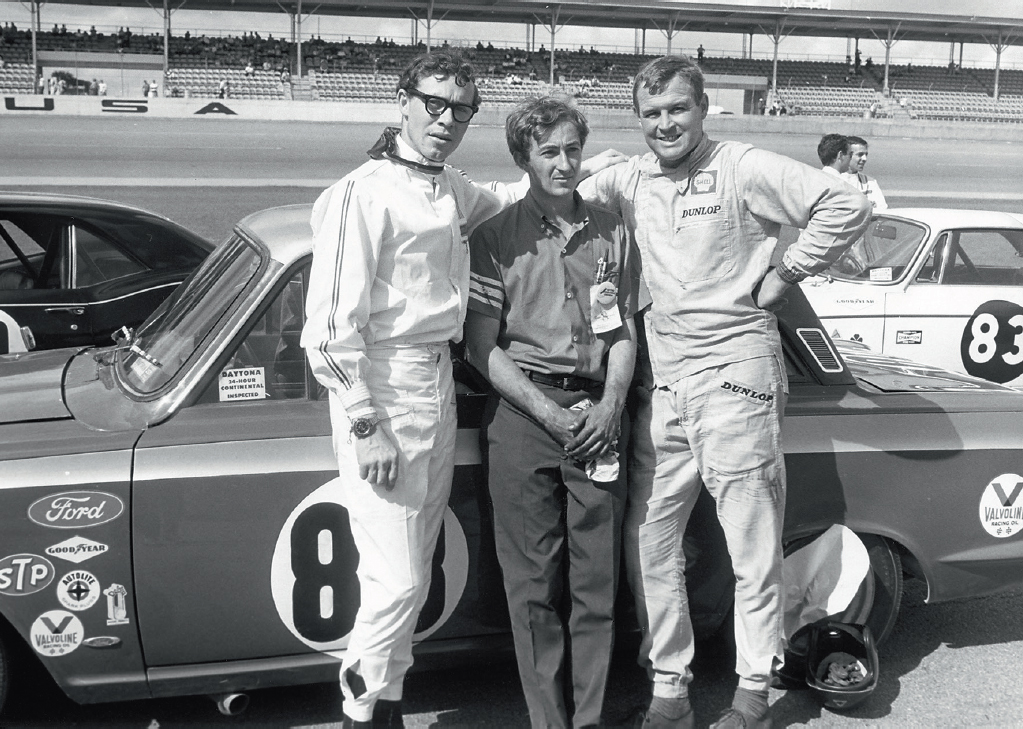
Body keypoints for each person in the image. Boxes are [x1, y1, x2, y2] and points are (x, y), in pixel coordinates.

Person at [301, 52, 621, 729]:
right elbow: (328, 329)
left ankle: (385, 705)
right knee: (399, 579)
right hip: (381, 385)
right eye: (434, 104)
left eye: (460, 110)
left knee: (411, 564)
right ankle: (359, 709)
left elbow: (516, 200)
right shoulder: (361, 192)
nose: (446, 120)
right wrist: (365, 419)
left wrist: (602, 167)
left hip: (438, 381)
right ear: (402, 101)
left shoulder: (448, 186)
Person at [578, 54, 871, 729]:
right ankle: (670, 684)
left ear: (703, 108)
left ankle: (752, 692)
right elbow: (547, 194)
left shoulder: (742, 166)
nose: (664, 124)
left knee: (750, 544)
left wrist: (786, 272)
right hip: (665, 381)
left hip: (738, 376)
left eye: (676, 109)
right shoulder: (630, 175)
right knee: (647, 538)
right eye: (650, 114)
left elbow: (844, 200)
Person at [465, 97, 642, 729]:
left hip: (598, 417)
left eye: (572, 149)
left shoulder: (612, 229)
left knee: (595, 589)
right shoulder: (493, 238)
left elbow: (623, 334)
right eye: (549, 152)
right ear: (523, 158)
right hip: (522, 419)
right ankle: (549, 721)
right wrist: (548, 412)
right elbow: (481, 348)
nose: (564, 163)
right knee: (533, 589)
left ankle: (588, 720)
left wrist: (610, 405)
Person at [843, 136, 887, 210]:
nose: (864, 159)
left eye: (866, 154)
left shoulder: (870, 182)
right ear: (846, 155)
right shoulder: (833, 179)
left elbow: (882, 209)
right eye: (860, 154)